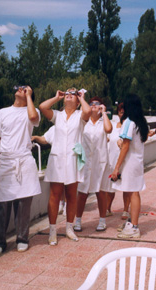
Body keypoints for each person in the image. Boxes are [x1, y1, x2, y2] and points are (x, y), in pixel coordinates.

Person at [0, 85, 42, 255]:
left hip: (24, 160)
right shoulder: (3, 112)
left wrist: (29, 97)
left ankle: (22, 238)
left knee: (24, 203)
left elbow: (33, 118)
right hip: (6, 161)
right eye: (20, 88)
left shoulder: (32, 111)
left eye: (25, 88)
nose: (21, 89)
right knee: (3, 204)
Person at [39, 87, 91, 245]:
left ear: (77, 100)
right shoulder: (58, 116)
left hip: (73, 159)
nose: (69, 96)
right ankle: (53, 230)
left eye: (72, 94)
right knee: (55, 195)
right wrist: (57, 97)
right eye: (67, 94)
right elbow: (42, 107)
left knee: (71, 195)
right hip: (57, 159)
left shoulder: (79, 117)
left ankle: (69, 228)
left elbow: (87, 110)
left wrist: (81, 96)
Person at [110, 94, 149, 239]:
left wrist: (116, 168)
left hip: (130, 163)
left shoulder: (129, 122)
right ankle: (131, 223)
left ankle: (134, 226)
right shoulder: (141, 123)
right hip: (137, 162)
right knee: (135, 192)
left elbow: (125, 146)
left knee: (133, 193)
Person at [74, 97, 112, 232]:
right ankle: (77, 220)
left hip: (99, 161)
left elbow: (109, 130)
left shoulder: (104, 122)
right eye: (92, 104)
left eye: (97, 104)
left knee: (101, 192)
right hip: (85, 161)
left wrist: (104, 114)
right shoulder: (83, 122)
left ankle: (102, 221)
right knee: (82, 192)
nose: (94, 105)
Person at [103, 102, 132, 220]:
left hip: (126, 161)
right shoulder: (114, 125)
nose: (122, 113)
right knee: (110, 186)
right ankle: (107, 208)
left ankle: (126, 210)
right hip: (112, 159)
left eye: (124, 111)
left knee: (126, 187)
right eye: (120, 111)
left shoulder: (130, 125)